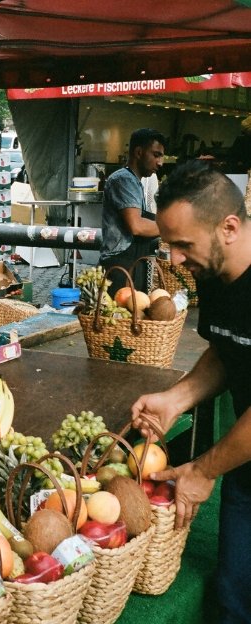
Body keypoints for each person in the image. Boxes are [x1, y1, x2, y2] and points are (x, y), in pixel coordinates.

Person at [130, 160, 251, 623]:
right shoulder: (214, 276)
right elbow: (228, 348)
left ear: (229, 227)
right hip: (245, 460)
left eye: (183, 245)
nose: (175, 259)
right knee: (234, 593)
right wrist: (175, 398)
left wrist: (202, 469)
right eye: (169, 245)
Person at [99, 128, 166, 296]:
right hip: (119, 268)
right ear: (138, 152)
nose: (160, 163)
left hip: (132, 264)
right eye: (156, 155)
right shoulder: (124, 180)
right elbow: (136, 226)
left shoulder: (135, 182)